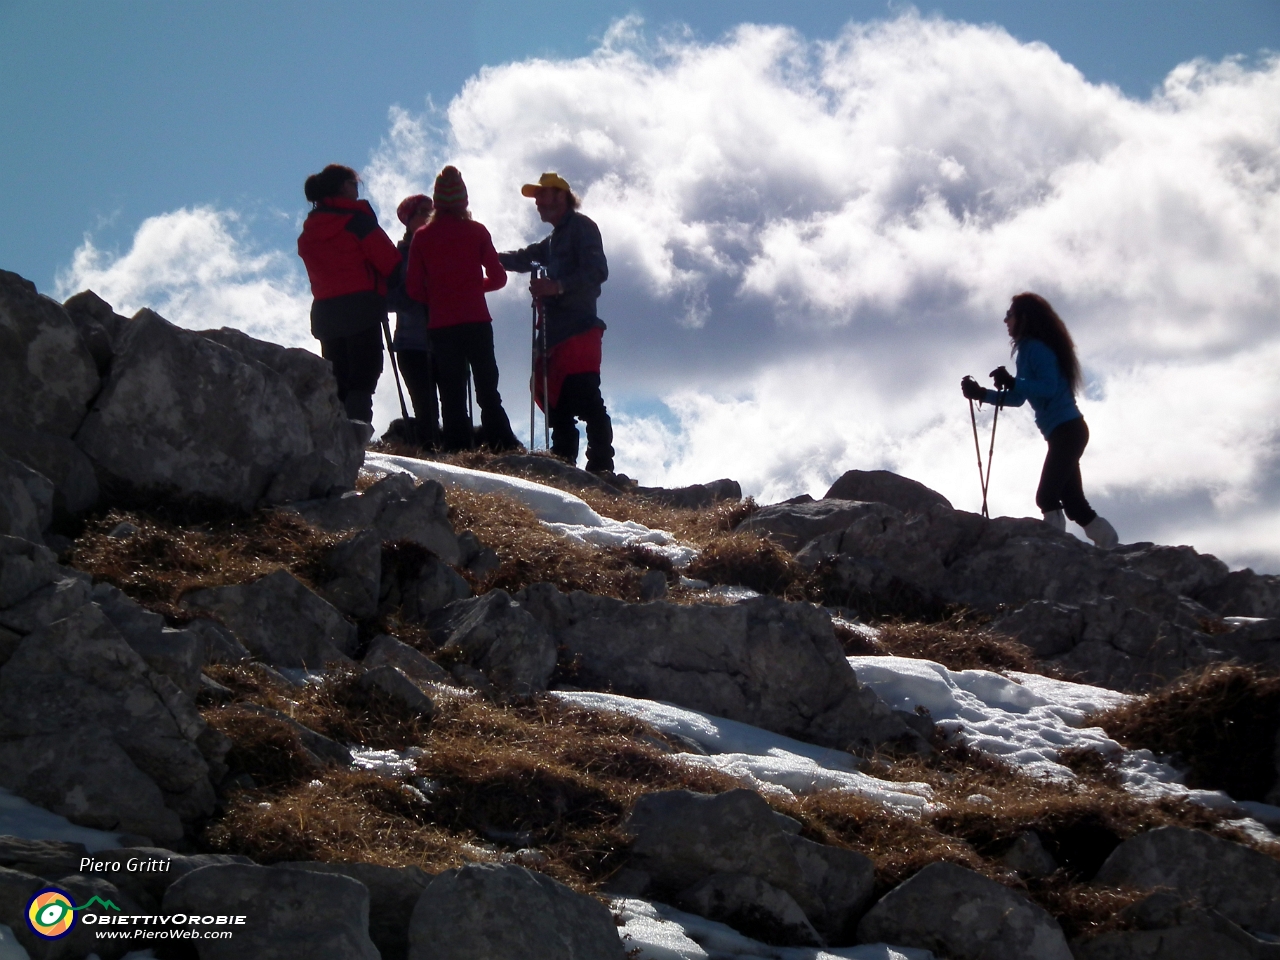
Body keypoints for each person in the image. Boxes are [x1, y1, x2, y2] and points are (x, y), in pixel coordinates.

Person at [961, 292, 1118, 547]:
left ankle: (1054, 549)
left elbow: (1046, 387)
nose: (1005, 321)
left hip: (1066, 431)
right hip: (1066, 431)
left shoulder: (1035, 348)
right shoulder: (1029, 349)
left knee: (1046, 497)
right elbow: (1020, 397)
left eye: (1009, 315)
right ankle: (1109, 543)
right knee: (1074, 503)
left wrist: (1013, 382)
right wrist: (983, 394)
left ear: (1023, 318)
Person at [499, 172, 614, 475]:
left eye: (542, 195)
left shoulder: (582, 228)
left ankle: (599, 467)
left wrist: (557, 286)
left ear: (562, 196)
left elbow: (597, 270)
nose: (537, 203)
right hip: (560, 335)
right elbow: (523, 258)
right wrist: (484, 255)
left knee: (586, 399)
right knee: (559, 404)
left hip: (578, 329)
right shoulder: (554, 239)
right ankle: (568, 468)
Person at [405, 166, 521, 452]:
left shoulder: (422, 237)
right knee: (486, 388)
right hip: (477, 320)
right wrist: (471, 286)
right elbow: (499, 277)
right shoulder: (477, 231)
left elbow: (413, 288)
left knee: (452, 390)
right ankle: (501, 442)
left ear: (437, 202)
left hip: (442, 325)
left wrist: (439, 295)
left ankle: (457, 446)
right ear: (464, 202)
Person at [297, 164, 401, 423]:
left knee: (338, 379)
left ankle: (335, 434)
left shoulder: (309, 231)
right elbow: (390, 262)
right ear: (344, 186)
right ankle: (356, 438)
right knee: (364, 377)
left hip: (326, 312)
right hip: (362, 309)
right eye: (355, 184)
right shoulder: (357, 222)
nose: (357, 190)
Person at [384, 193, 441, 447]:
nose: (430, 216)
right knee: (427, 409)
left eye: (432, 210)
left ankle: (447, 455)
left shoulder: (442, 248)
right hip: (413, 343)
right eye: (423, 212)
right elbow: (388, 299)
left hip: (440, 337)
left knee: (451, 407)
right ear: (408, 221)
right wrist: (416, 293)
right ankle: (434, 455)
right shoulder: (398, 258)